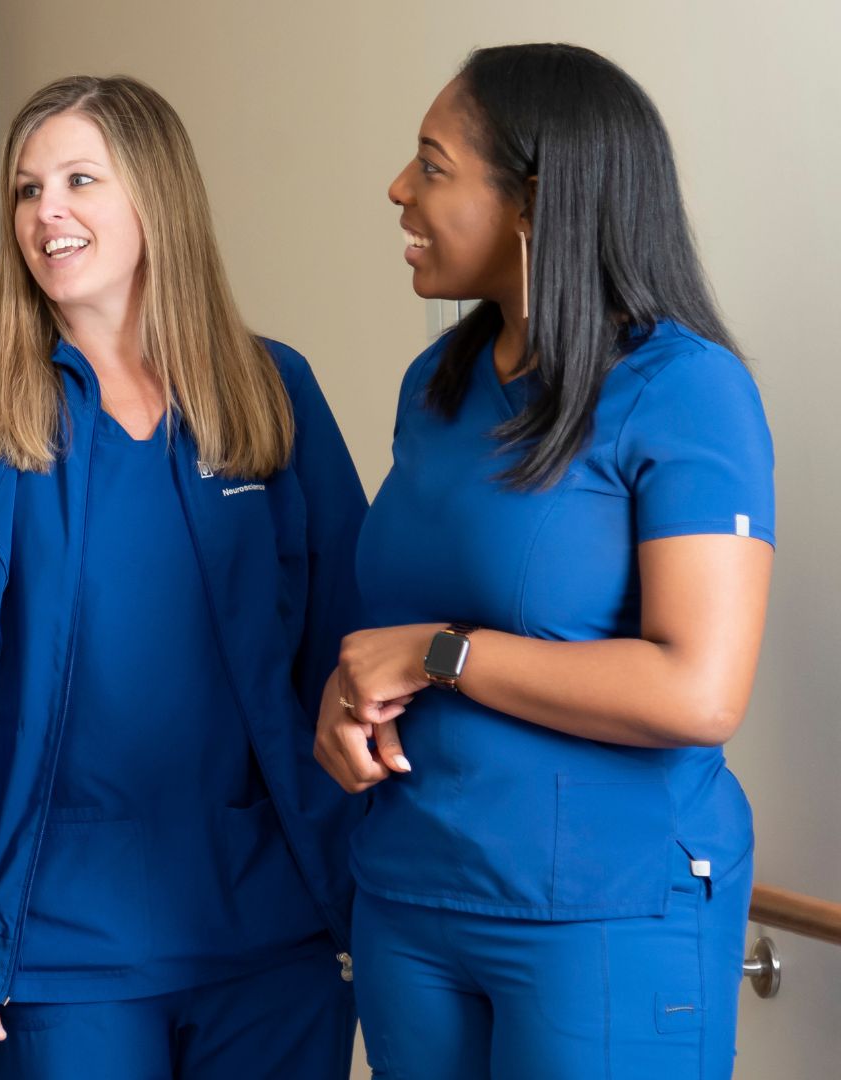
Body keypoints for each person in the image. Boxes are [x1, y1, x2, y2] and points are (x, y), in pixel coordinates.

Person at [0, 74, 366, 1079]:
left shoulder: (272, 394)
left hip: (272, 924)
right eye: (26, 190)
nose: (45, 211)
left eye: (76, 180)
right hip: (59, 940)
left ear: (157, 198)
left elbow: (345, 644)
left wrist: (362, 872)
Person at [320, 43, 774, 1080]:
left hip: (606, 912)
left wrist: (443, 655)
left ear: (534, 200)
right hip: (412, 894)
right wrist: (350, 697)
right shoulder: (439, 380)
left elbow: (699, 691)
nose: (399, 189)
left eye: (431, 165)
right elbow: (397, 622)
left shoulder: (686, 391)